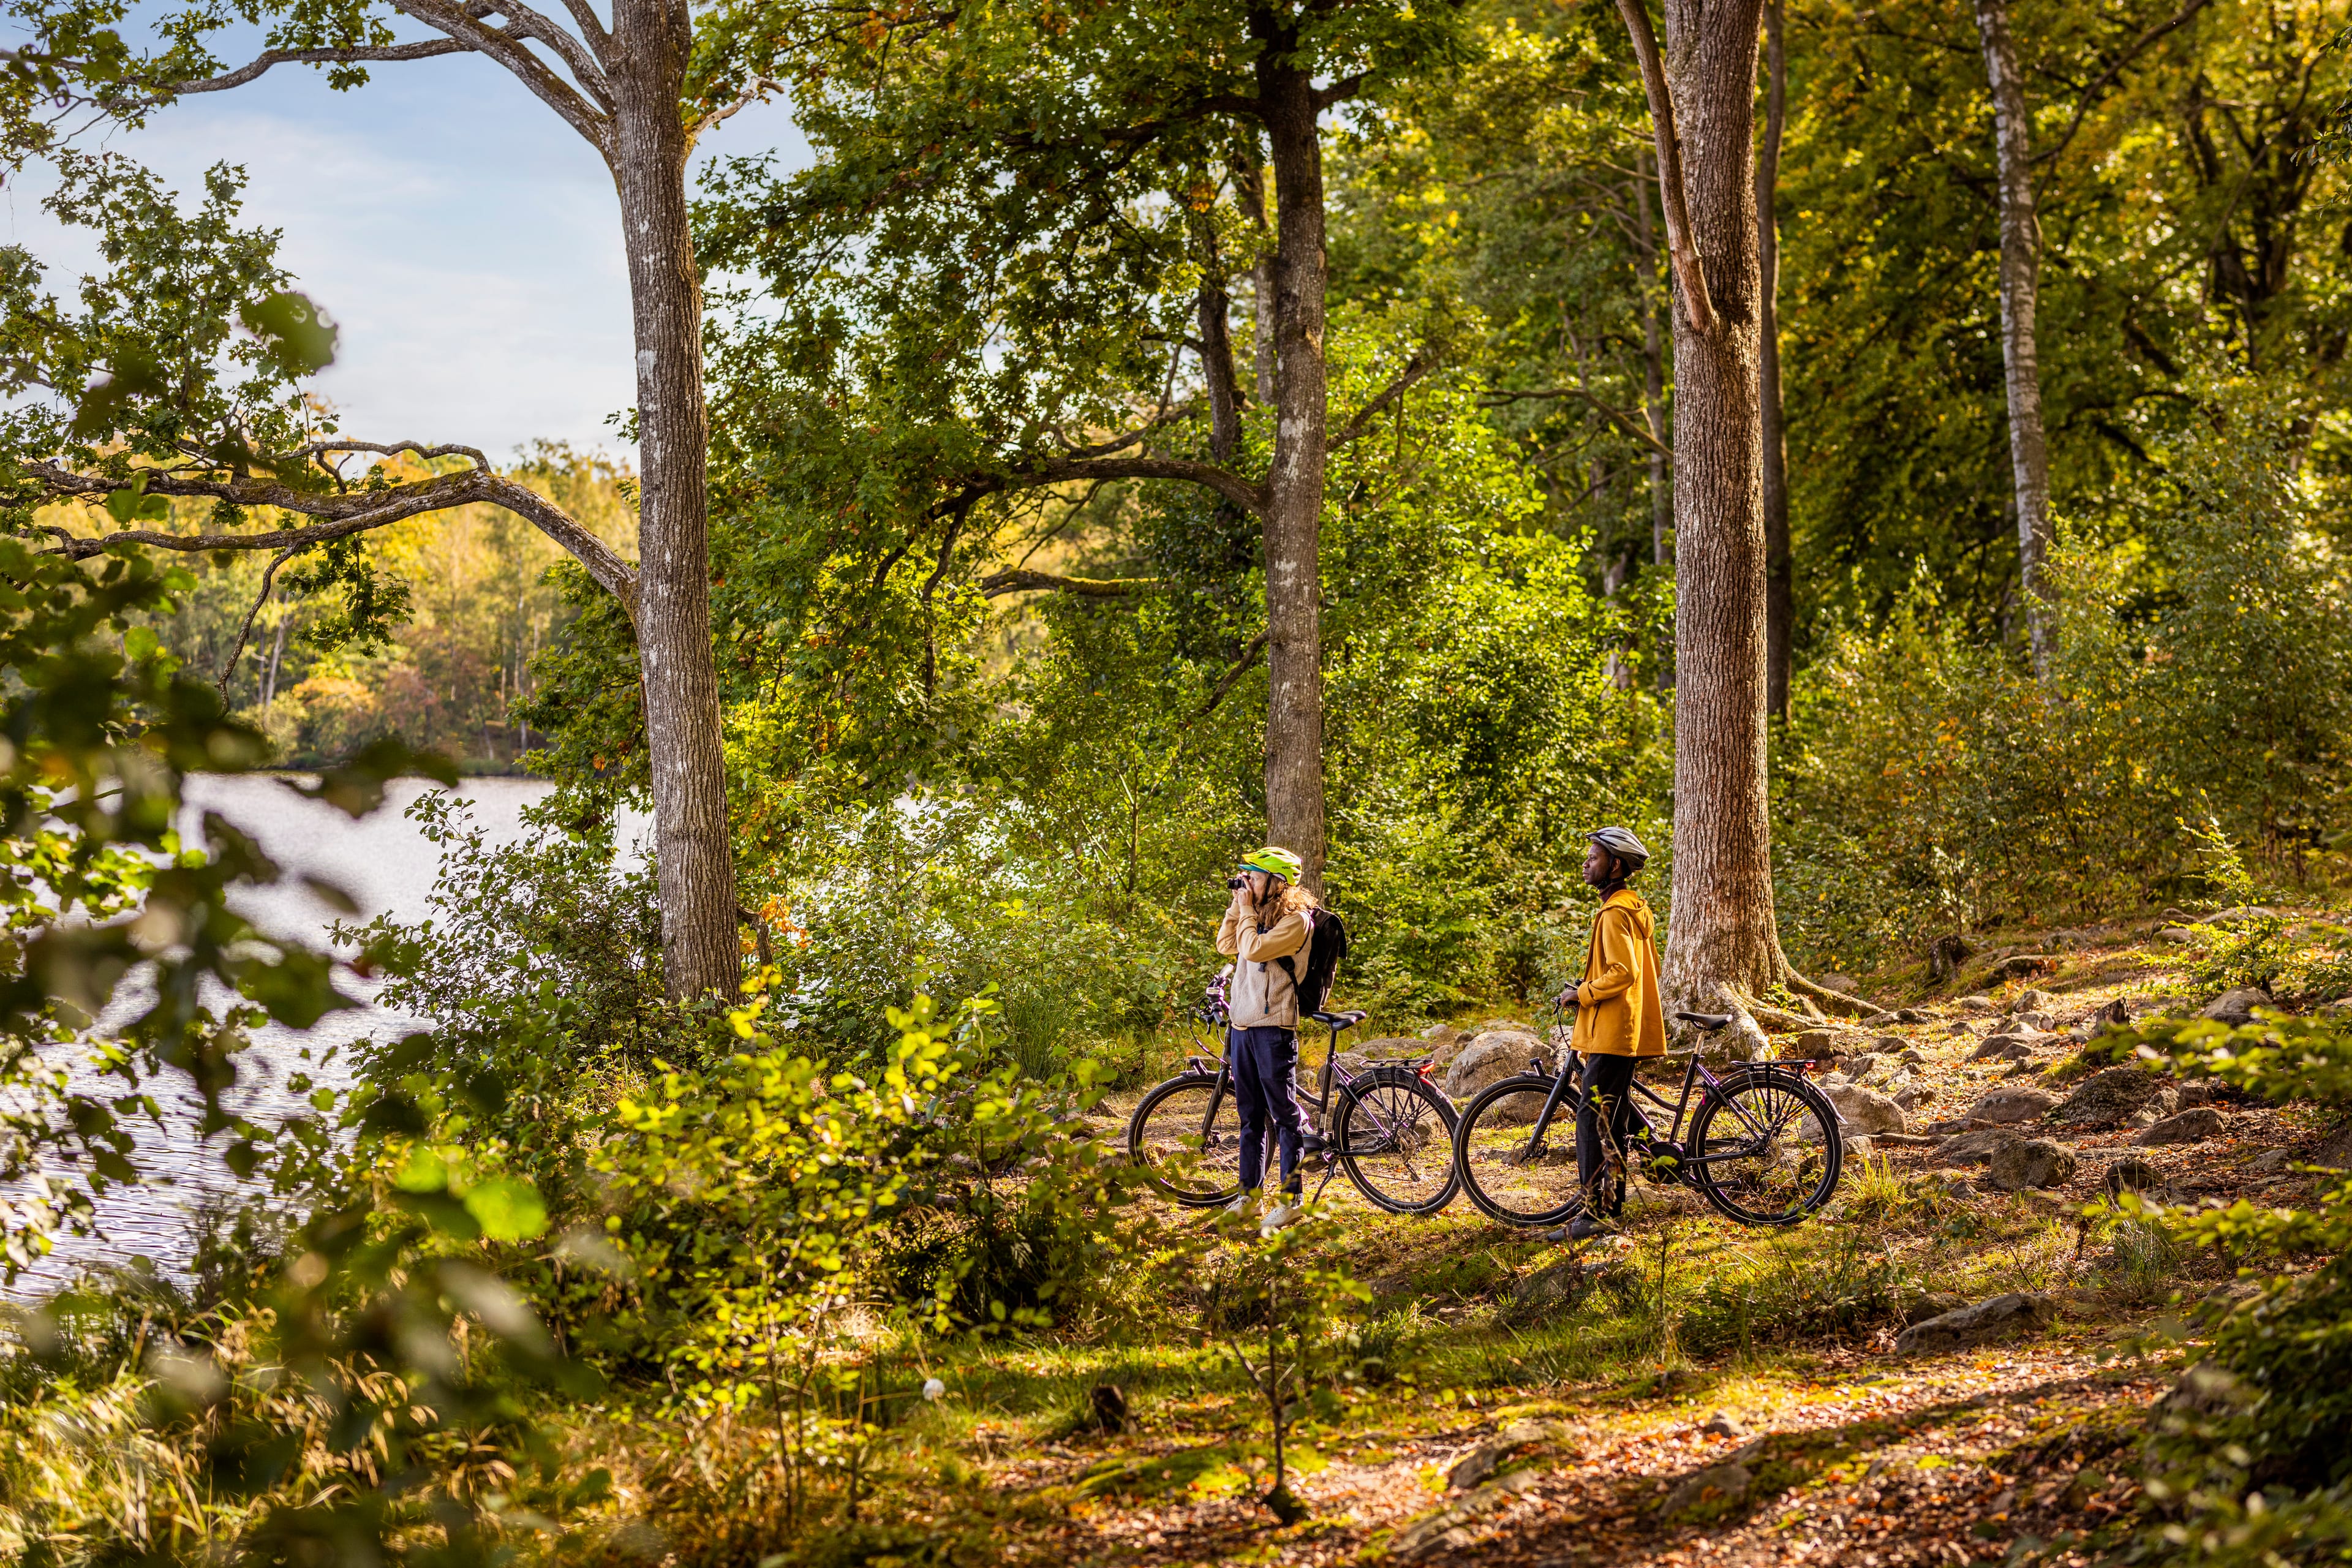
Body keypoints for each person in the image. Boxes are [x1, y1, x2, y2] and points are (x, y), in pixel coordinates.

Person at [1551, 826, 1665, 1240]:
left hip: (1614, 1032)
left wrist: (1582, 994)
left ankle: (1597, 1213)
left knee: (1591, 1118)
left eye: (1595, 857)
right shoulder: (1632, 907)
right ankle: (1610, 1206)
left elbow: (1625, 973)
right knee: (1611, 1120)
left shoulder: (1616, 913)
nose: (1587, 862)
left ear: (1615, 866)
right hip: (1622, 1029)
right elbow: (1640, 970)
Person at [1214, 844, 1319, 1227]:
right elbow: (1229, 946)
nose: (1248, 883)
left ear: (1277, 883)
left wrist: (1244, 910)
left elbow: (1254, 950)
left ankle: (1291, 1201)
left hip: (1274, 1027)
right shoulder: (1252, 913)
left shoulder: (1297, 921)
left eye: (1255, 878)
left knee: (1284, 1116)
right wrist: (1237, 904)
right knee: (1250, 1118)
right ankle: (1249, 1197)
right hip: (1242, 1026)